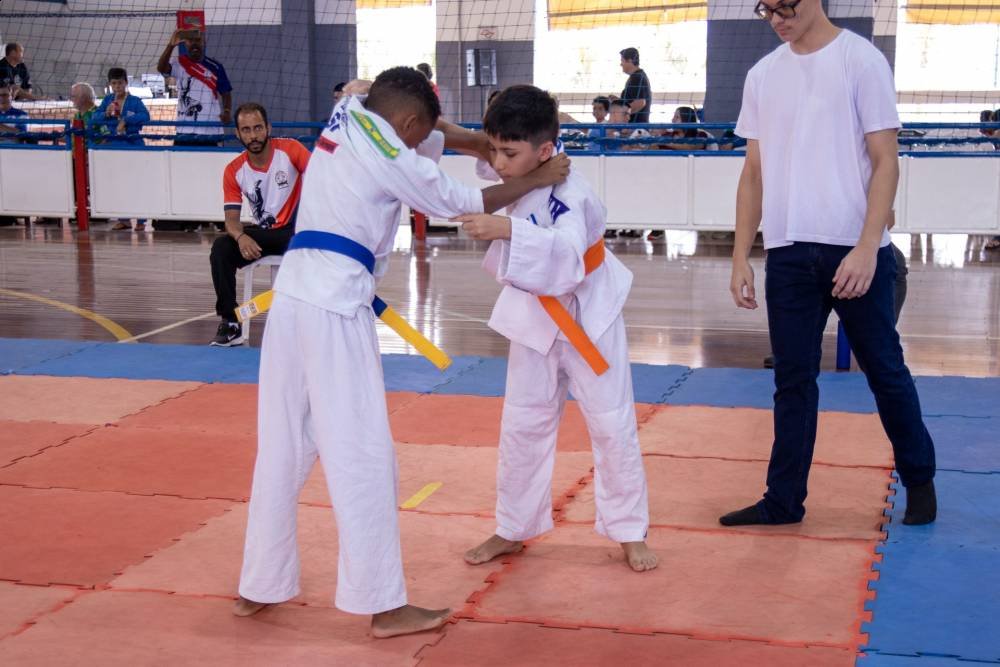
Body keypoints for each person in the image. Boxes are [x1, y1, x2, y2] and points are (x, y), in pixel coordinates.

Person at [233, 68, 570, 637]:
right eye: (419, 134)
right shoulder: (392, 153)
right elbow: (471, 200)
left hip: (291, 298)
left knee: (282, 448)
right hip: (335, 304)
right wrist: (539, 174)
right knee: (363, 456)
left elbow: (431, 128)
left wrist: (483, 142)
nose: (421, 144)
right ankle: (383, 605)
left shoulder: (350, 112)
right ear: (407, 123)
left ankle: (258, 586)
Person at [724, 0, 937, 528]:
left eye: (785, 7)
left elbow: (886, 161)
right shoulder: (762, 74)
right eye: (766, 10)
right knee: (792, 380)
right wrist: (740, 255)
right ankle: (782, 501)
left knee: (885, 371)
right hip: (788, 252)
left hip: (855, 249)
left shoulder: (860, 60)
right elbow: (753, 173)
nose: (777, 19)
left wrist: (867, 246)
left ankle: (919, 480)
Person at [442, 85, 657, 573]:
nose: (499, 163)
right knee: (523, 423)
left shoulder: (571, 193)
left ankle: (629, 530)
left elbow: (567, 256)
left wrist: (506, 229)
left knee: (611, 424)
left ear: (544, 151)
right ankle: (513, 527)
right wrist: (436, 122)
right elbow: (478, 146)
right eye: (496, 150)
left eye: (509, 153)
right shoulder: (522, 163)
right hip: (535, 314)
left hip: (588, 315)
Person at [209, 102, 310, 346]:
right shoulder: (234, 170)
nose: (253, 135)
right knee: (221, 248)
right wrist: (241, 237)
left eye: (257, 128)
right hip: (265, 234)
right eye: (246, 130)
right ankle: (230, 322)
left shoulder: (291, 150)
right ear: (237, 133)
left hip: (297, 233)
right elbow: (231, 221)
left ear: (268, 128)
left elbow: (322, 179)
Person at [92, 67, 152, 231]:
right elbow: (94, 117)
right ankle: (123, 219)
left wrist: (126, 120)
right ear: (110, 84)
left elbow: (145, 116)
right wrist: (105, 113)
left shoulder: (135, 101)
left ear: (126, 83)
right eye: (114, 83)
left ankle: (141, 221)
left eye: (120, 83)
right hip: (114, 146)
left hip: (133, 145)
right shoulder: (107, 100)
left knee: (137, 183)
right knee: (119, 183)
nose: (117, 86)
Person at [157, 29, 233, 147]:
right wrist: (170, 46)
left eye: (197, 40)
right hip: (183, 130)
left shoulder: (216, 67)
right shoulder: (178, 63)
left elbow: (226, 92)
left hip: (209, 131)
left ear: (203, 41)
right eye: (190, 40)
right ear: (185, 43)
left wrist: (227, 111)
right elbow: (161, 68)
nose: (194, 43)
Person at [618, 47, 651, 124]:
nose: (620, 64)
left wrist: (621, 114)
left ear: (630, 61)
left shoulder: (637, 77)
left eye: (622, 61)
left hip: (635, 126)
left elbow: (640, 103)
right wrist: (618, 102)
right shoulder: (638, 76)